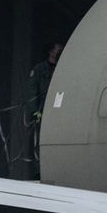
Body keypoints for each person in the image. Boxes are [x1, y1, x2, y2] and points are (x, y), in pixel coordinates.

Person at [28, 41, 62, 175]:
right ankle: (39, 171)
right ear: (51, 52)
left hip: (57, 112)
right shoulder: (39, 69)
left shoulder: (62, 68)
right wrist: (34, 111)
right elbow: (32, 92)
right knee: (40, 143)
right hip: (42, 111)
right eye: (58, 51)